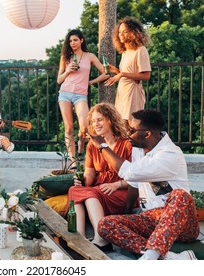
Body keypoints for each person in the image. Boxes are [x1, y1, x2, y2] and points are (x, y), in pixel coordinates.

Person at [91, 109, 200, 260]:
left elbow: (128, 172)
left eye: (132, 130)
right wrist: (127, 213)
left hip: (181, 222)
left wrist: (103, 147)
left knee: (180, 195)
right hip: (151, 218)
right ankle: (168, 258)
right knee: (105, 224)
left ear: (147, 134)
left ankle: (149, 258)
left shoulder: (170, 154)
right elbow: (134, 183)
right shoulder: (139, 149)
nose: (127, 133)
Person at [65, 103, 133, 252]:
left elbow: (137, 175)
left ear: (111, 120)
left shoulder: (127, 144)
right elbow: (89, 175)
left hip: (121, 190)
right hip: (100, 188)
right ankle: (79, 238)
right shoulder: (92, 145)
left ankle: (101, 239)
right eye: (93, 121)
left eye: (100, 119)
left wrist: (116, 185)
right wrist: (83, 181)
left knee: (90, 193)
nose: (96, 124)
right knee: (75, 189)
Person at [57, 29, 109, 163]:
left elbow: (105, 73)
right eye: (70, 41)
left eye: (75, 40)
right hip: (65, 93)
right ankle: (73, 160)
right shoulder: (65, 57)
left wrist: (91, 81)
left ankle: (81, 144)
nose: (72, 43)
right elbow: (59, 80)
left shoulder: (89, 56)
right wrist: (68, 70)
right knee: (68, 127)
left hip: (80, 95)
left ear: (81, 40)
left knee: (85, 127)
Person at [105, 17, 151, 127]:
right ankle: (126, 145)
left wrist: (122, 74)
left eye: (125, 31)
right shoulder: (125, 52)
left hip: (133, 91)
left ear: (134, 33)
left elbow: (146, 75)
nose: (121, 34)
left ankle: (135, 144)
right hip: (123, 91)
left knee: (132, 124)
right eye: (120, 32)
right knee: (122, 125)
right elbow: (126, 73)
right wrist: (115, 70)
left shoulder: (140, 50)